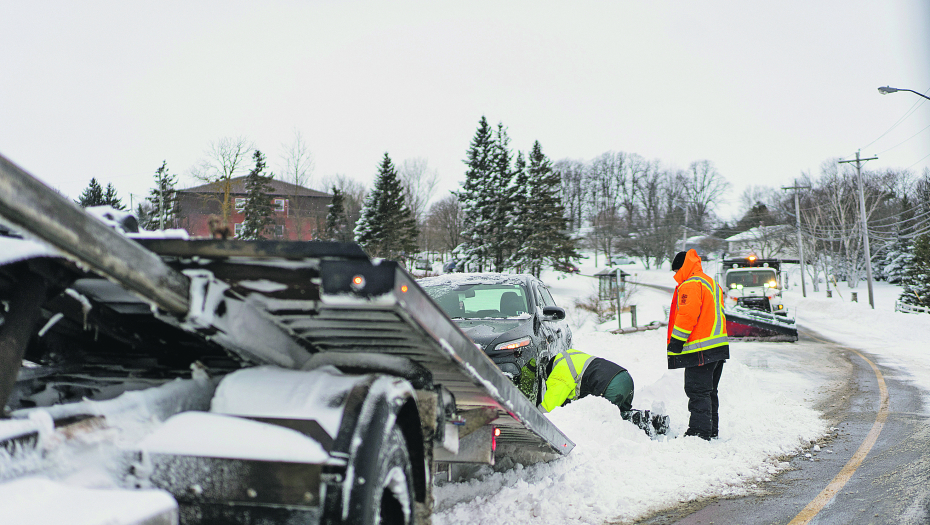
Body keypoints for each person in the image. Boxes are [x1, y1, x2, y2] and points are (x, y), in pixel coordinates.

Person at [668, 249, 729, 441]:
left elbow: (688, 316)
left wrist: (676, 342)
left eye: (675, 271)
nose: (675, 276)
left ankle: (699, 433)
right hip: (717, 348)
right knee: (709, 392)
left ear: (681, 267)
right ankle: (711, 430)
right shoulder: (709, 282)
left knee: (697, 391)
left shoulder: (691, 285)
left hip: (701, 349)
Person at [539, 349, 669, 437]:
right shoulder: (572, 357)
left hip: (610, 386)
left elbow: (550, 405)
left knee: (606, 419)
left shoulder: (558, 373)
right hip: (625, 378)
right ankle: (655, 420)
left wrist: (535, 416)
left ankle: (644, 421)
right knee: (621, 414)